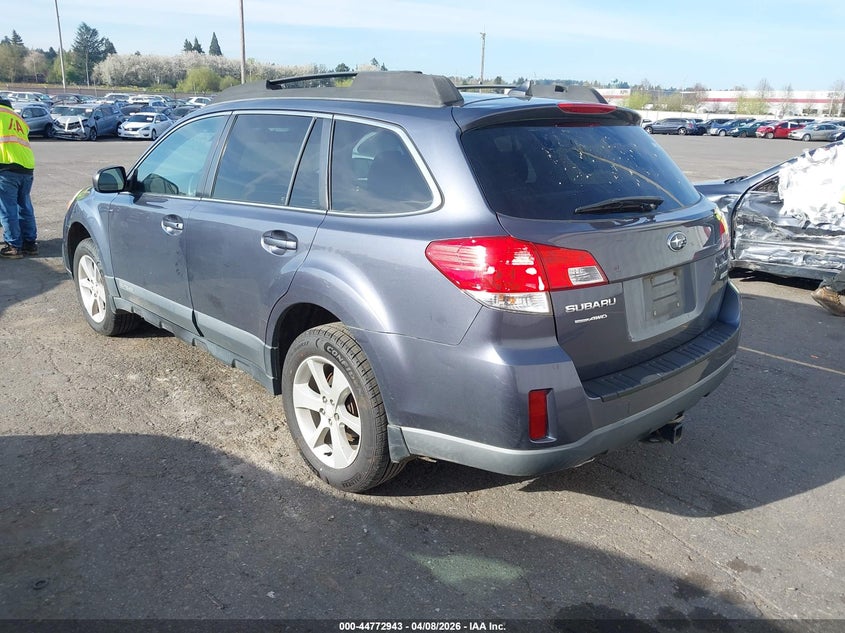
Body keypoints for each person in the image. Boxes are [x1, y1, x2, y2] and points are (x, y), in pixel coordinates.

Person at [0, 97, 38, 259]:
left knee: (7, 208)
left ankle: (14, 246)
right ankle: (30, 243)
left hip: (6, 166)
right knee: (24, 205)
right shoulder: (18, 118)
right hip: (27, 167)